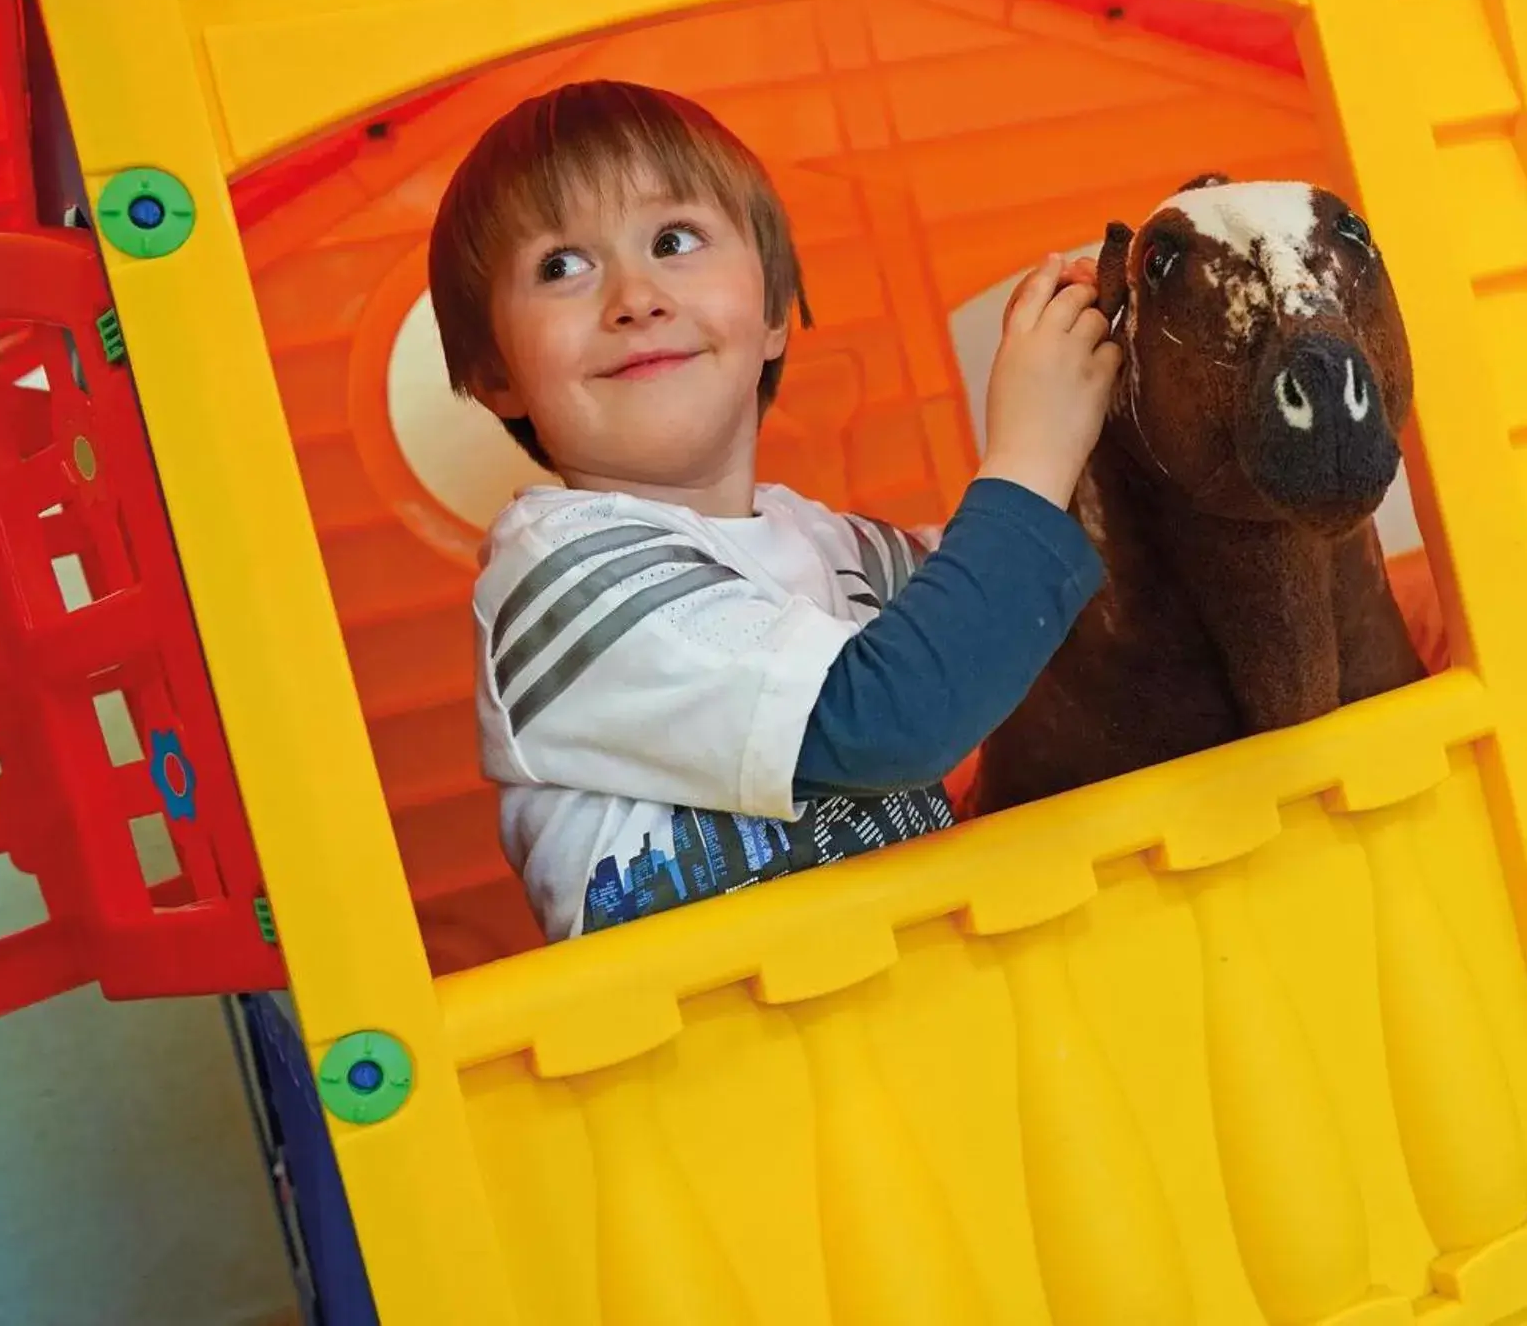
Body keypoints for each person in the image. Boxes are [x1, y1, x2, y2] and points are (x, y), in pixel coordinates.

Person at [425, 79, 1119, 942]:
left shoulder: (839, 549)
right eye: (562, 265)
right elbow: (894, 715)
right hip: (722, 1061)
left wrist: (1094, 408)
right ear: (495, 370)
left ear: (773, 316)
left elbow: (1003, 624)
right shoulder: (561, 575)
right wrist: (1030, 450)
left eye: (674, 240)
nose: (634, 296)